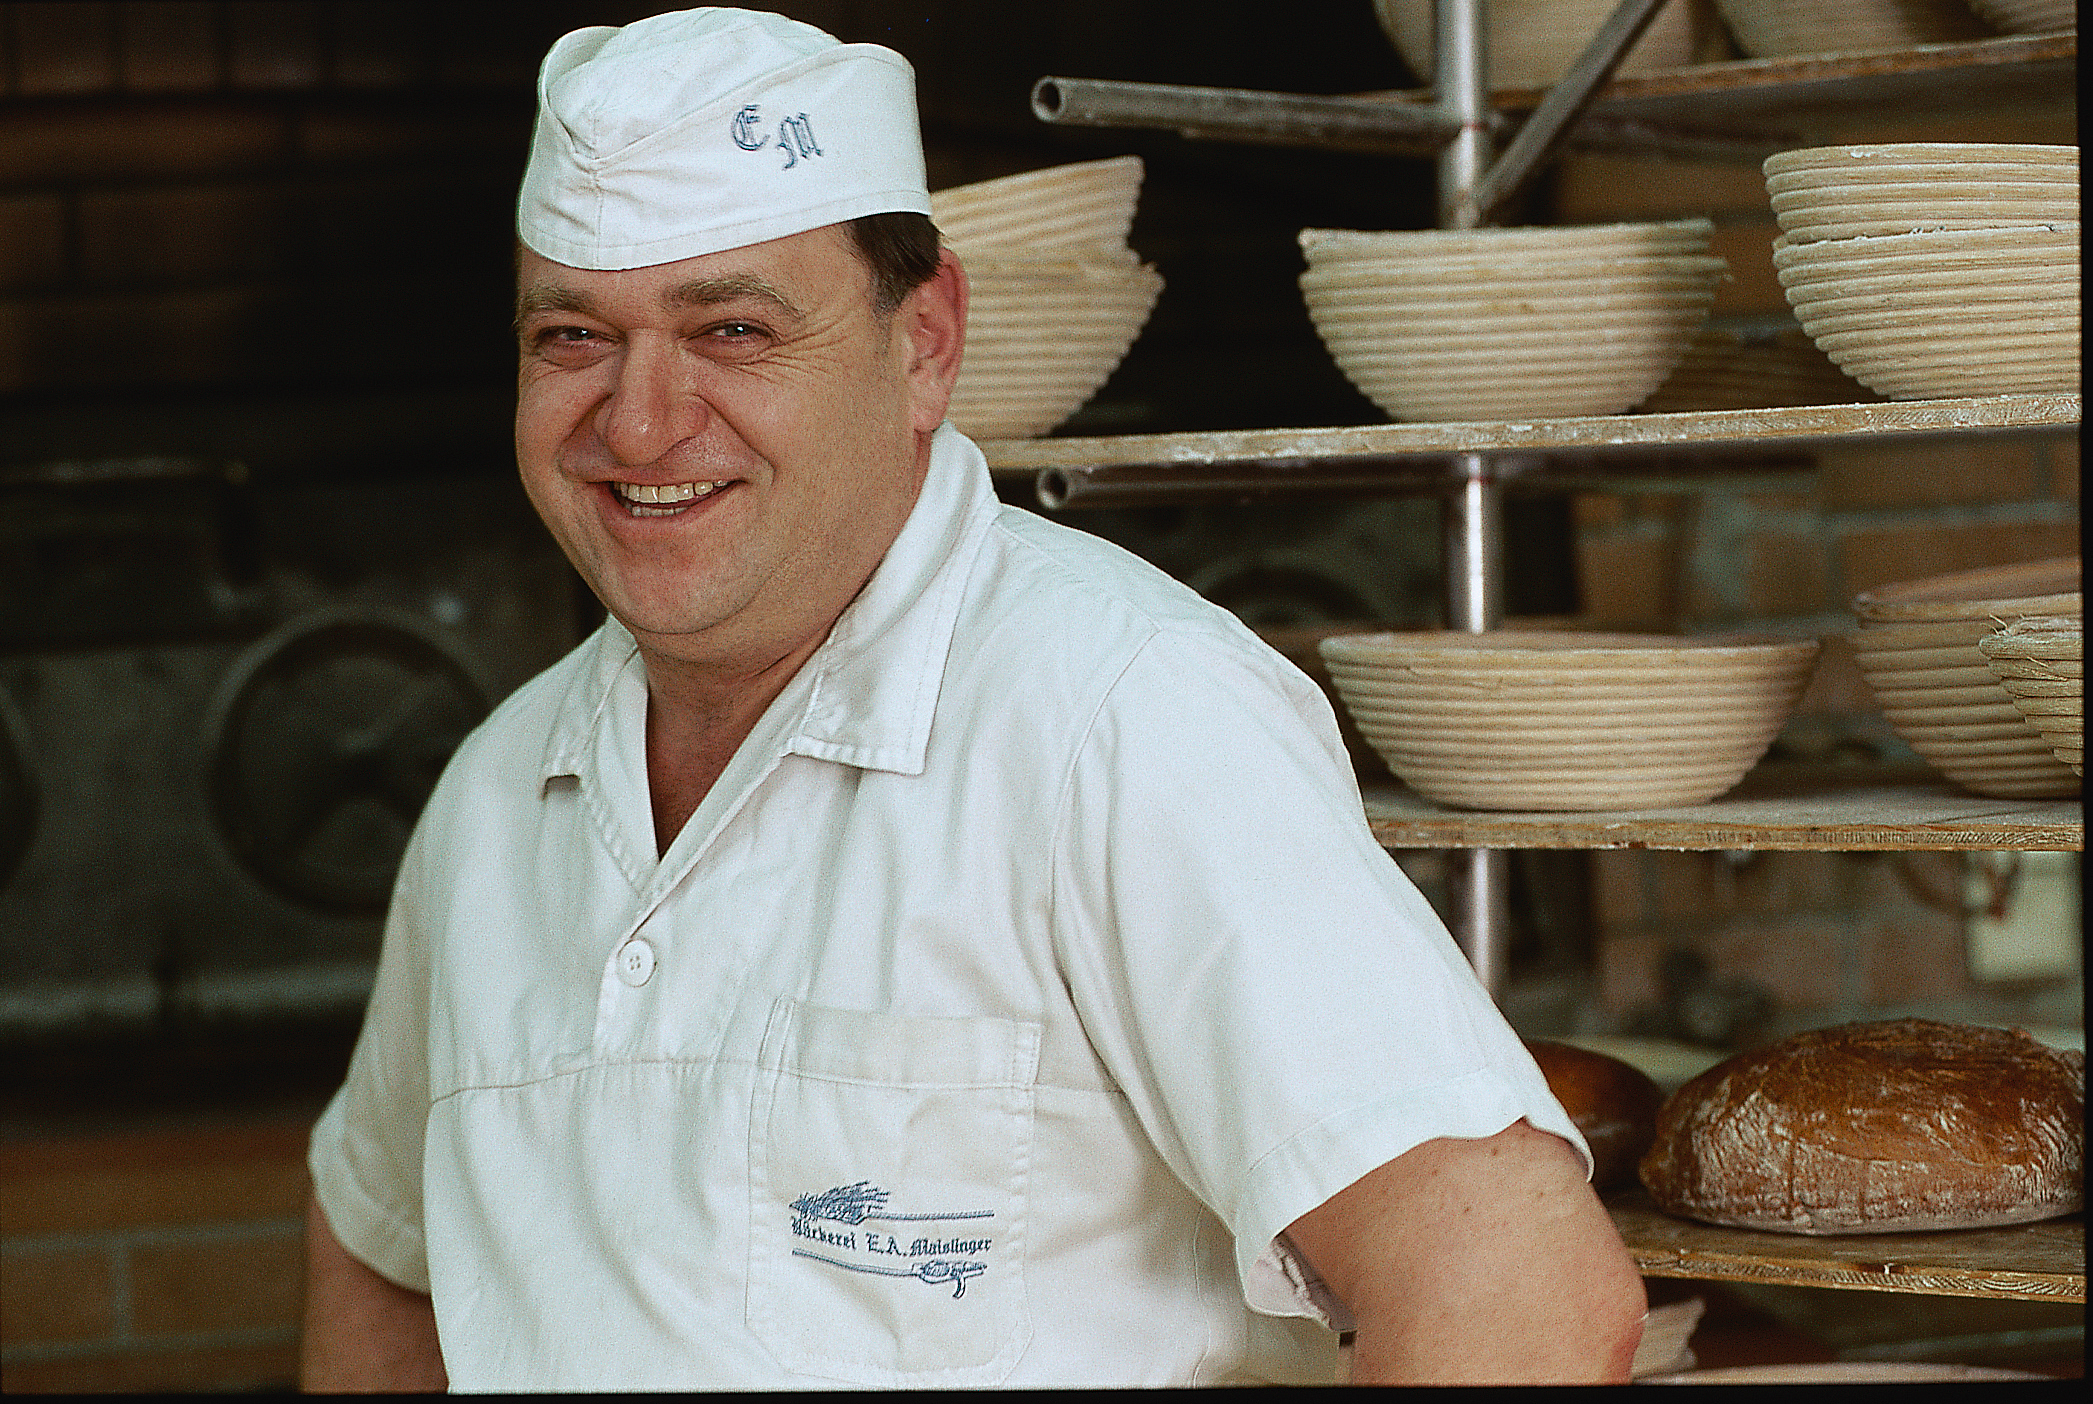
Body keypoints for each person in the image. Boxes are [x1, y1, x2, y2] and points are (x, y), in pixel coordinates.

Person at [299, 7, 1645, 1390]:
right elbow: (379, 1246)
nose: (639, 422)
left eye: (734, 330)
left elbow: (1511, 1294)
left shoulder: (1121, 717)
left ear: (925, 341)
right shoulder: (497, 791)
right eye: (573, 336)